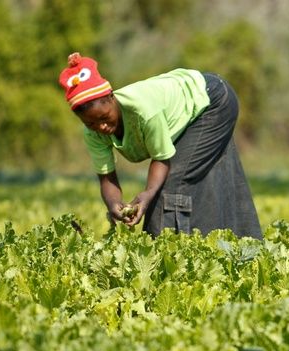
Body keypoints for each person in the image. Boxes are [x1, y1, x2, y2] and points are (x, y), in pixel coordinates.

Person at [58, 53, 262, 239]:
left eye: (104, 117)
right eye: (91, 123)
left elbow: (162, 158)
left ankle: (162, 253)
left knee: (170, 186)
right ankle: (236, 245)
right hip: (193, 103)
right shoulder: (93, 133)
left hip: (212, 100)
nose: (101, 126)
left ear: (112, 97)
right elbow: (106, 176)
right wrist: (114, 204)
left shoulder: (143, 111)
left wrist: (147, 194)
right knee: (205, 179)